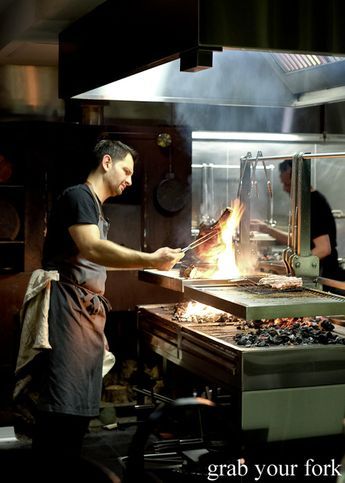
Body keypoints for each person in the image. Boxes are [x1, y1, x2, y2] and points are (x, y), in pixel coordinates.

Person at [14, 138, 184, 481]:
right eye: (127, 170)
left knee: (75, 413)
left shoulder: (92, 205)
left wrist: (99, 330)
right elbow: (93, 249)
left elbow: (97, 263)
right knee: (62, 410)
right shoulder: (79, 196)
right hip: (67, 311)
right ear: (107, 162)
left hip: (84, 314)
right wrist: (150, 259)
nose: (130, 180)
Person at [253, 159, 344, 281]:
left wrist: (293, 266)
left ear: (299, 182)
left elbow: (323, 249)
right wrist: (266, 228)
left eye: (287, 184)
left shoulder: (314, 203)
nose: (285, 189)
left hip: (323, 277)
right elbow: (298, 241)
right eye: (283, 184)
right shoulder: (305, 203)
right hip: (316, 274)